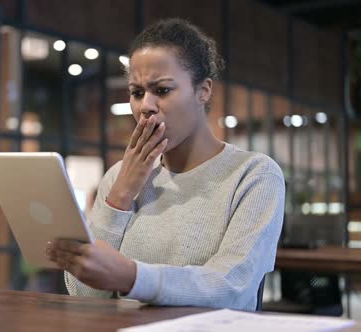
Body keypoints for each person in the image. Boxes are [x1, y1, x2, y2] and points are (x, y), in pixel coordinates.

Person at [46, 18, 285, 311]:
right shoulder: (117, 179)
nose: (145, 105)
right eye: (136, 92)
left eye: (161, 90)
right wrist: (120, 196)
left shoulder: (253, 175)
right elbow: (84, 297)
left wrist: (132, 277)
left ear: (203, 91)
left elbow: (231, 287)